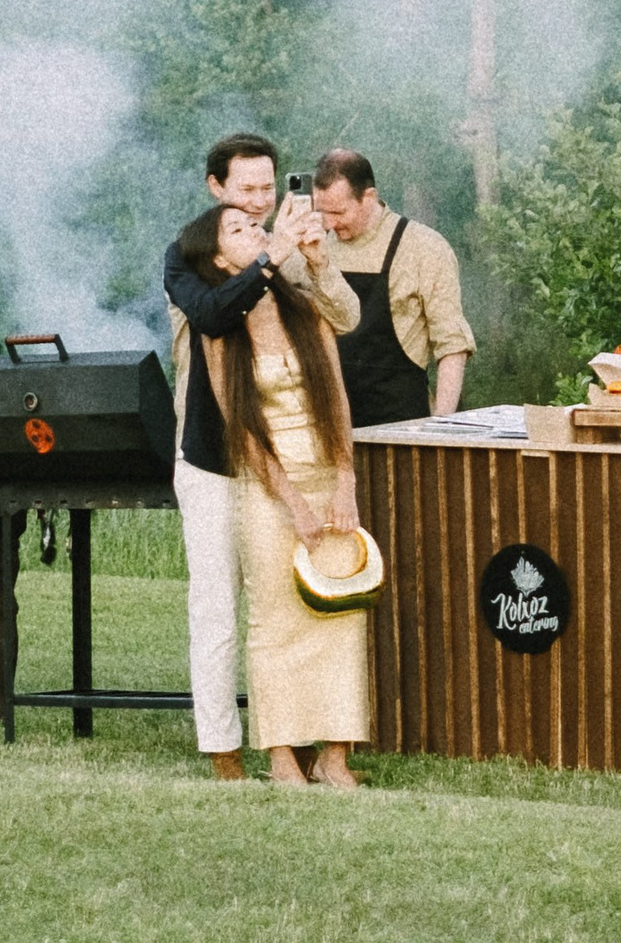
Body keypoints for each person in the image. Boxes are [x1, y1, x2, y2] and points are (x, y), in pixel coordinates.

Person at [163, 132, 356, 782]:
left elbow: (345, 320)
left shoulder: (276, 249)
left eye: (268, 188)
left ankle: (308, 742)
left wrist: (317, 261)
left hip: (287, 454)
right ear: (215, 187)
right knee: (219, 607)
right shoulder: (190, 255)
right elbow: (215, 315)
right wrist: (270, 258)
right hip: (215, 457)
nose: (261, 200)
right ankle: (223, 749)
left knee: (296, 600)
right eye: (245, 190)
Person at [310, 149, 475, 426]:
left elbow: (452, 346)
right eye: (321, 212)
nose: (328, 223)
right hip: (330, 426)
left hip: (402, 426)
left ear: (369, 197)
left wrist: (442, 427)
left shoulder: (424, 247)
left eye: (338, 212)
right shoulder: (313, 245)